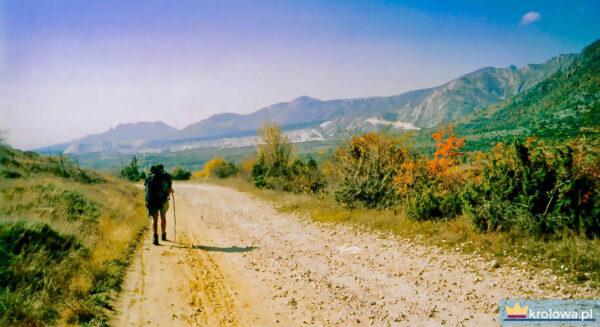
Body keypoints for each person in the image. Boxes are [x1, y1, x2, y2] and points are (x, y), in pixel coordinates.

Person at [144, 164, 174, 245]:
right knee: (163, 216)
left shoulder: (149, 178)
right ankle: (163, 235)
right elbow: (170, 189)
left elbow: (146, 189)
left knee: (155, 219)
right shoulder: (166, 177)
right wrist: (170, 190)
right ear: (162, 169)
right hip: (163, 200)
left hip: (153, 201)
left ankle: (155, 237)